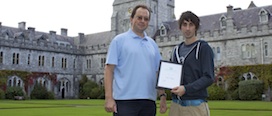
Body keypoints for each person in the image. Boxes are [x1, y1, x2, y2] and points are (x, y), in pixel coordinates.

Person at [103, 4, 167, 116]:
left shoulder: (152, 44)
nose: (142, 21)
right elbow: (109, 70)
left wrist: (162, 96)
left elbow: (158, 72)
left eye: (146, 19)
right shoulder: (119, 40)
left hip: (148, 101)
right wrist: (109, 98)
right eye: (139, 17)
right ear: (131, 19)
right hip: (125, 101)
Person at [169, 11, 215, 116]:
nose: (188, 28)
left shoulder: (203, 48)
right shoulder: (175, 50)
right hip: (176, 106)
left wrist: (186, 89)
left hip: (195, 106)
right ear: (180, 27)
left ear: (196, 28)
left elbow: (209, 77)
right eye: (184, 25)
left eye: (191, 25)